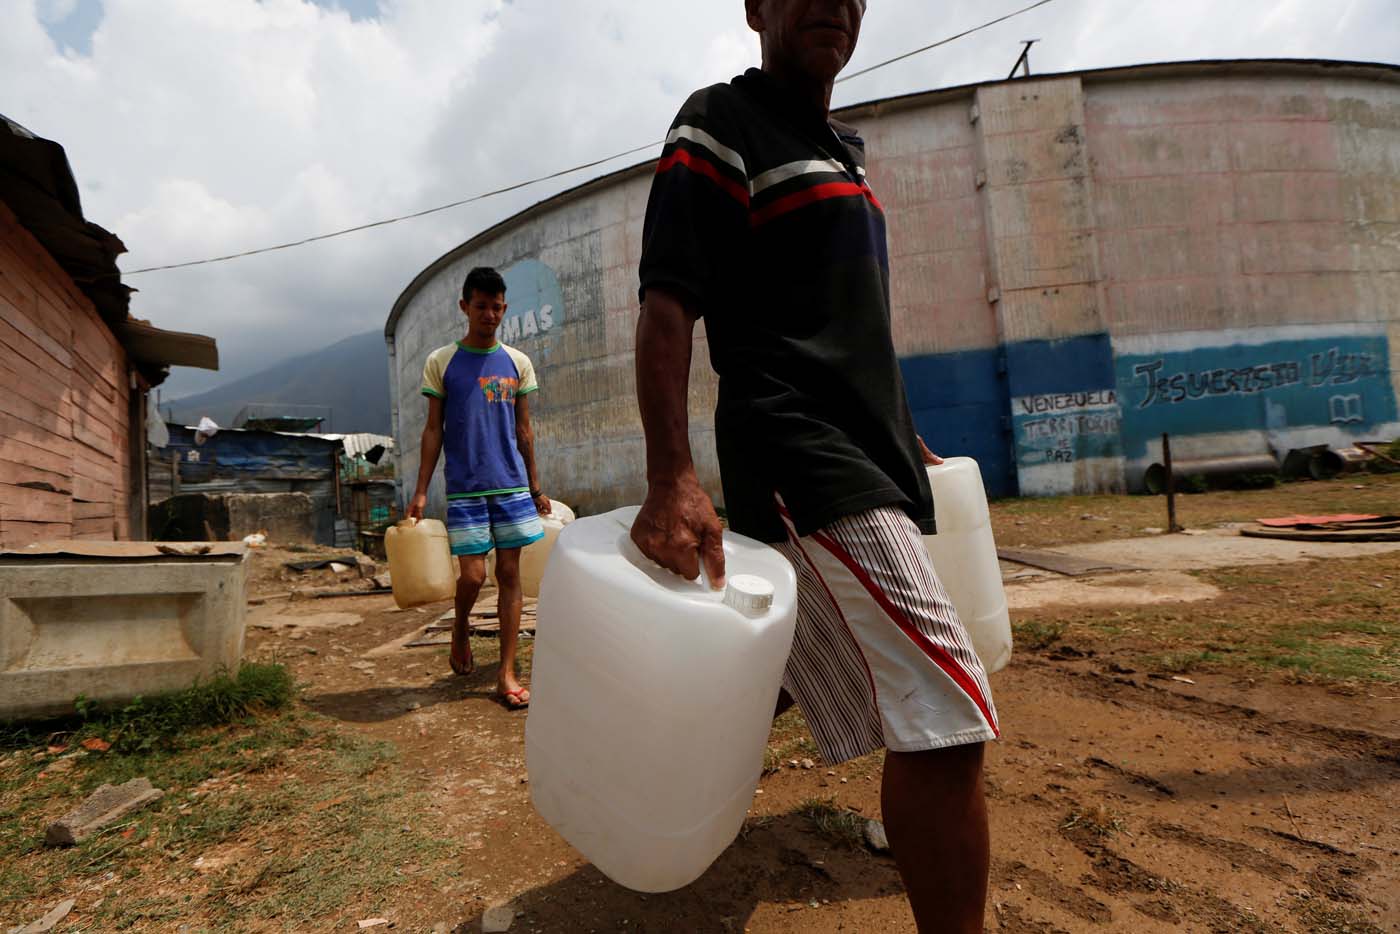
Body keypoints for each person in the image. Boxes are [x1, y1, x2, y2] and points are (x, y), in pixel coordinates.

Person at [630, 1, 999, 929]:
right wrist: (671, 474)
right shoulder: (720, 124)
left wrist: (901, 428)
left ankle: (652, 790)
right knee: (947, 717)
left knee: (778, 681)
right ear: (756, 7)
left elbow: (852, 321)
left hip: (867, 454)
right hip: (797, 452)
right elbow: (668, 306)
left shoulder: (842, 150)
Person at [408, 266, 551, 710]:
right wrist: (419, 492)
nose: (488, 314)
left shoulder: (517, 362)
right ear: (464, 307)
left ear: (504, 308)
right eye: (480, 306)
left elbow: (524, 431)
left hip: (510, 485)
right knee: (472, 575)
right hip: (465, 488)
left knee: (509, 575)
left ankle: (505, 674)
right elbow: (433, 432)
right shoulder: (441, 362)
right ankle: (460, 625)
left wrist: (535, 485)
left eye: (496, 307)